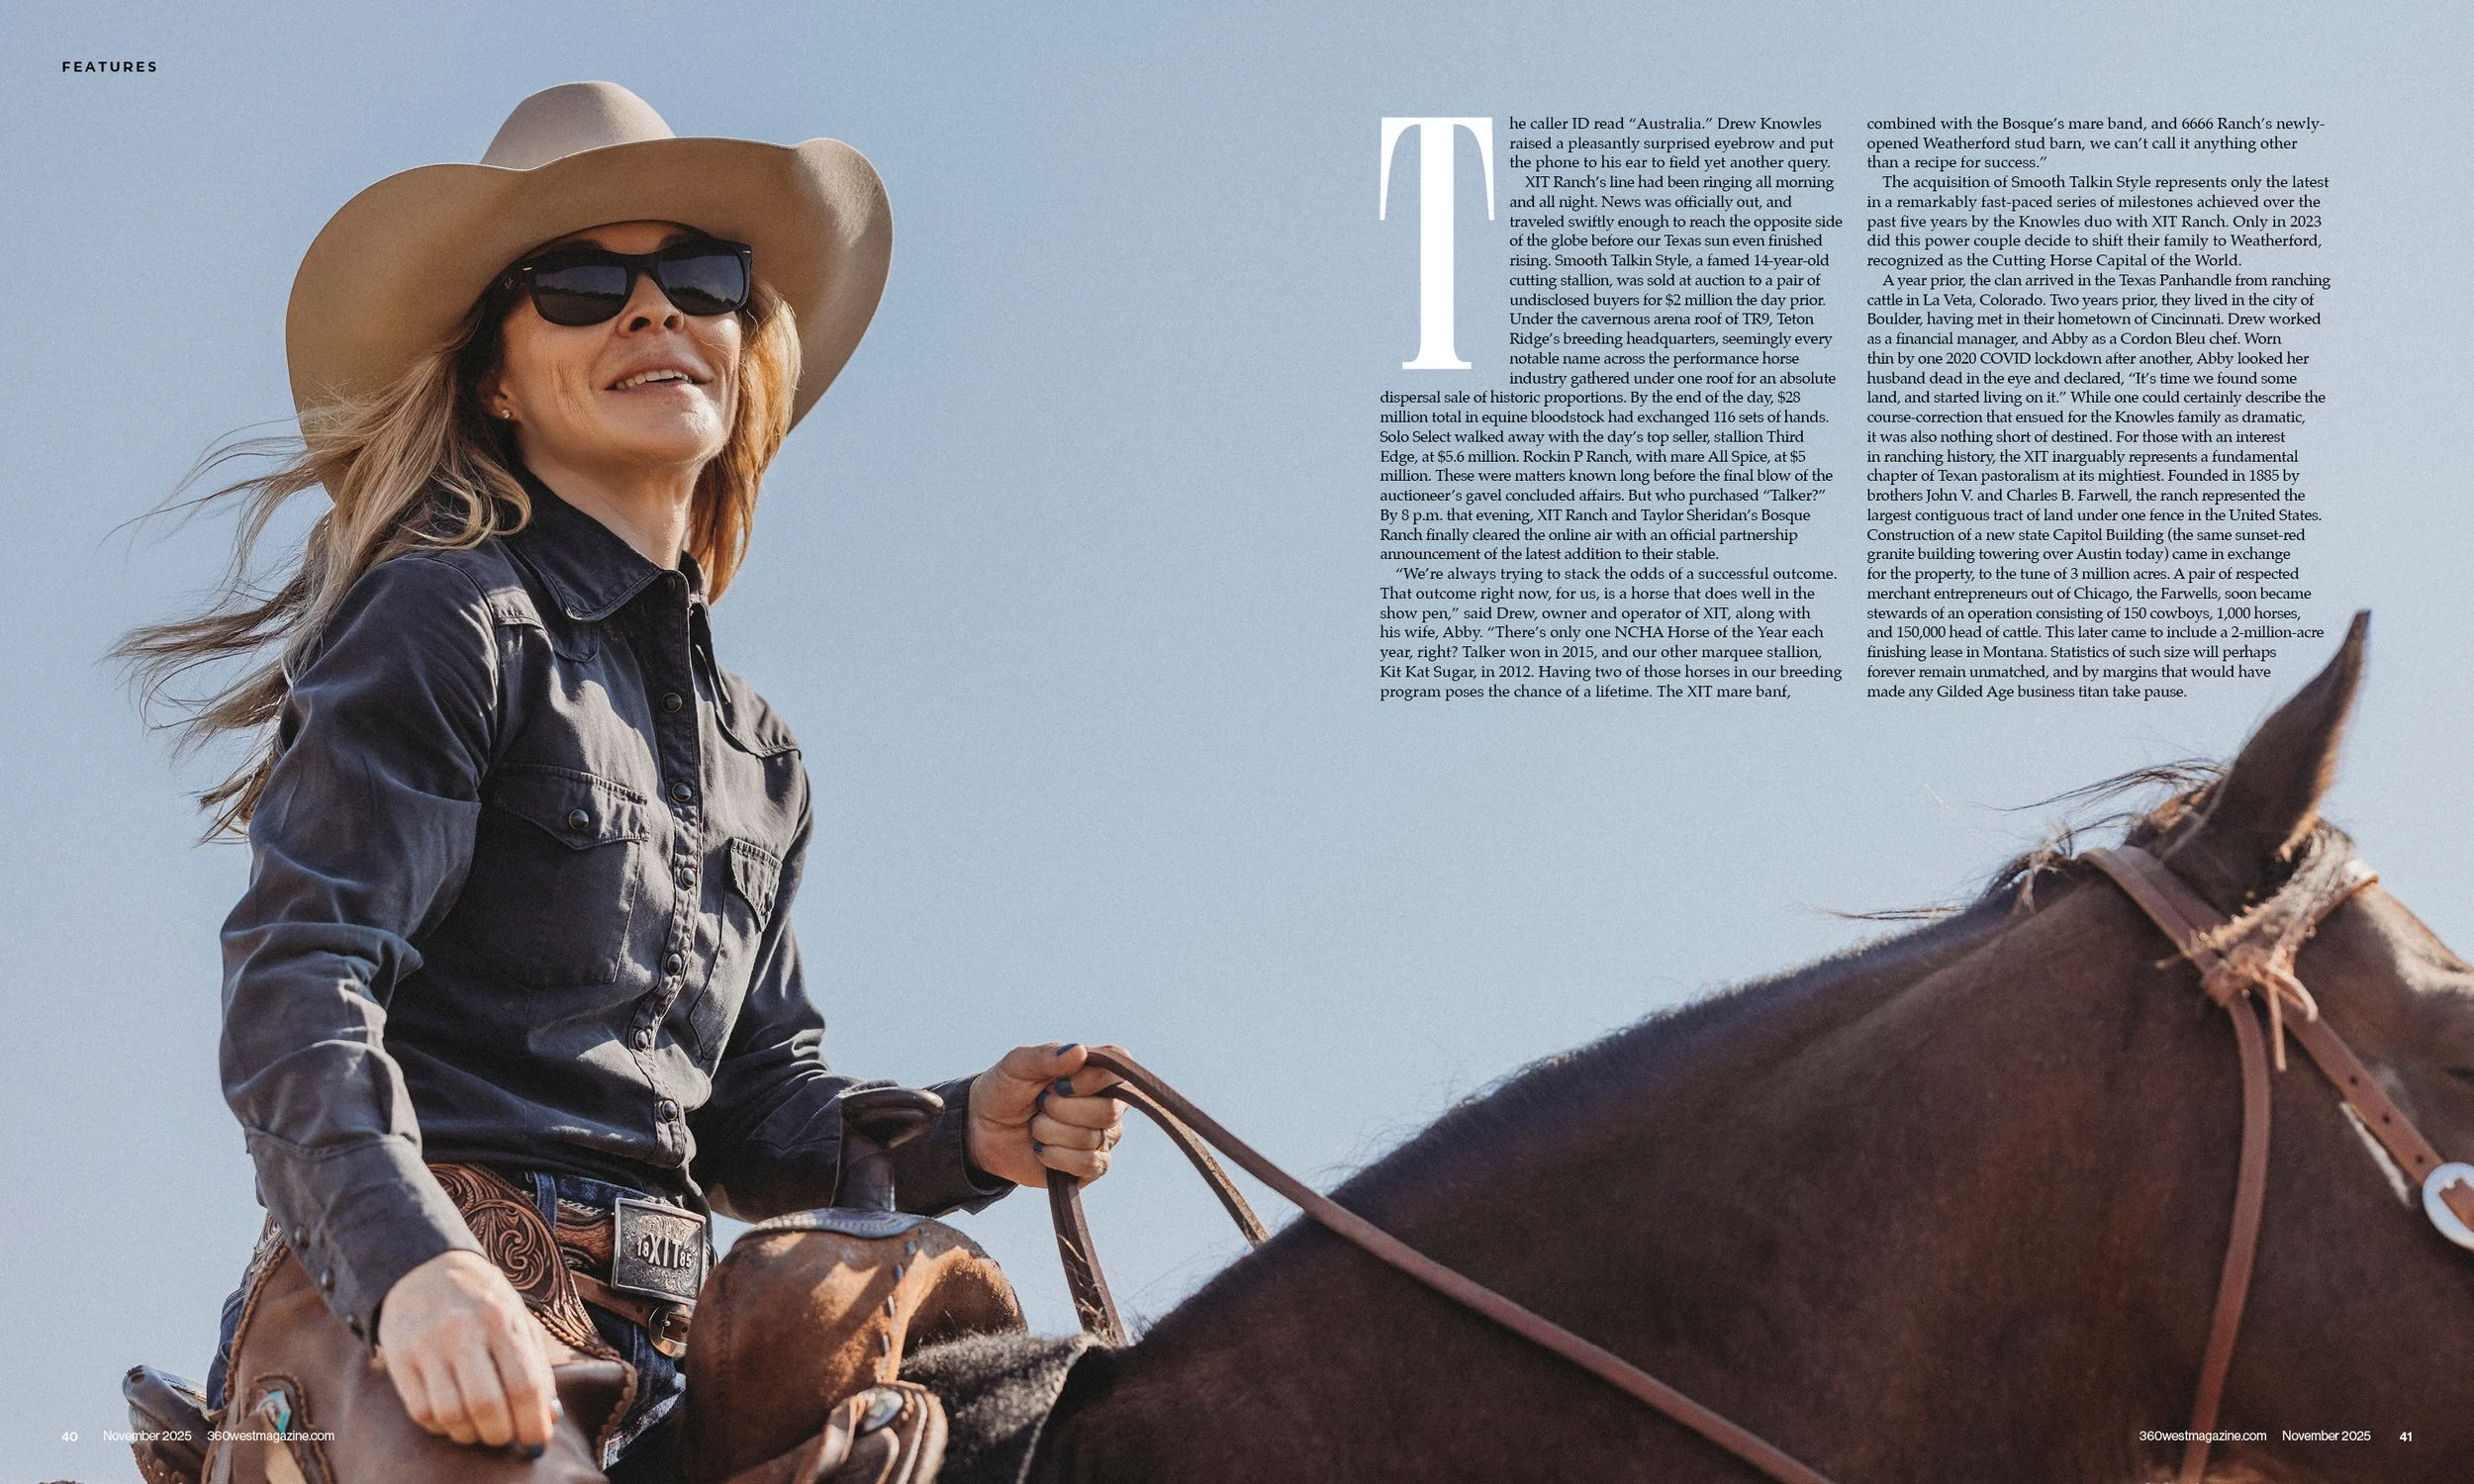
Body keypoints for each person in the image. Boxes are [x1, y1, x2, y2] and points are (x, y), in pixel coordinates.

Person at [117, 81, 1124, 1479]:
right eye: (582, 286)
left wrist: (970, 1133)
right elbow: (300, 985)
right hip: (414, 1316)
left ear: (739, 340)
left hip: (688, 1334)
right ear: (495, 376)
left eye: (697, 277)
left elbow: (758, 1115)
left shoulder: (760, 755)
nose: (652, 313)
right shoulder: (443, 619)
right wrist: (413, 1270)